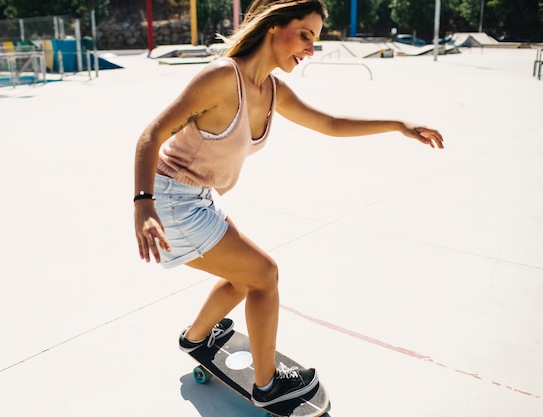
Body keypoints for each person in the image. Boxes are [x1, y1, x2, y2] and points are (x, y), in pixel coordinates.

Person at [133, 0, 444, 407]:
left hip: (196, 199)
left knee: (243, 278)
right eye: (305, 35)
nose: (311, 49)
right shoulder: (223, 78)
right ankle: (267, 386)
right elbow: (151, 135)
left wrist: (397, 125)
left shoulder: (272, 89)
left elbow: (329, 123)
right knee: (265, 276)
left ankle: (196, 337)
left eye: (314, 39)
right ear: (274, 27)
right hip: (170, 202)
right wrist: (143, 204)